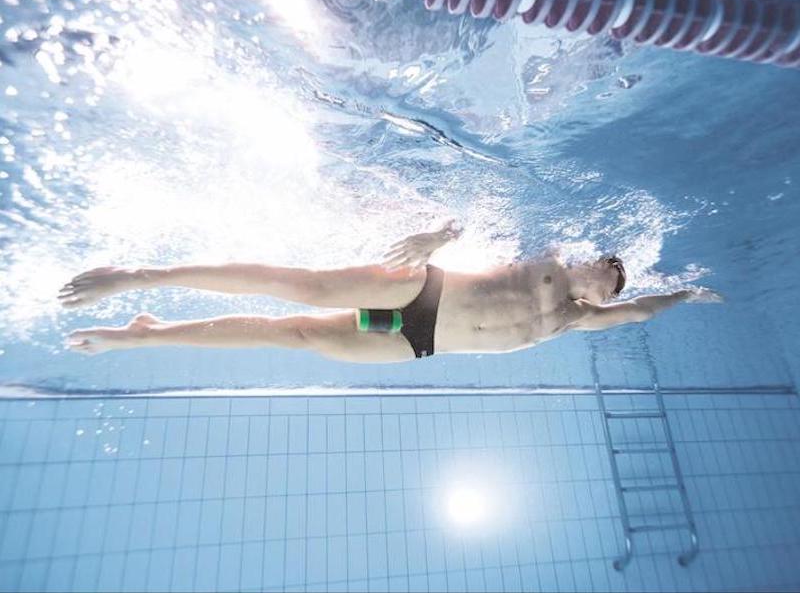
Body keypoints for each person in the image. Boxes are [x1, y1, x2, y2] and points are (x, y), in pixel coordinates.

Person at [59, 220, 722, 362]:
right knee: (304, 287)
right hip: (423, 292)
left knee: (290, 332)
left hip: (411, 335)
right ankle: (140, 275)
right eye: (608, 274)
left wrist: (684, 298)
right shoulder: (548, 256)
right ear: (592, 261)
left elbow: (639, 313)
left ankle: (142, 333)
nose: (606, 290)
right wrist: (435, 239)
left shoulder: (578, 321)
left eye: (610, 290)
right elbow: (485, 220)